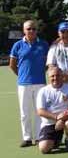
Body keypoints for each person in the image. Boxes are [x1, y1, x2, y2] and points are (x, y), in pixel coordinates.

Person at [9, 19, 49, 147]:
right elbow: (12, 65)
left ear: (37, 30)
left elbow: (48, 63)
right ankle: (27, 138)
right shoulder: (18, 45)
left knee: (39, 111)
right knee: (24, 112)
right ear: (24, 30)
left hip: (40, 83)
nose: (31, 31)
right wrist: (21, 76)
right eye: (28, 29)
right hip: (23, 84)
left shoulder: (43, 44)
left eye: (33, 29)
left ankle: (38, 137)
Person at [36, 67, 68, 154]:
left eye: (58, 75)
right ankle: (56, 140)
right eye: (52, 76)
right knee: (44, 149)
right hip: (49, 123)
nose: (55, 78)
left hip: (65, 121)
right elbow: (40, 111)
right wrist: (57, 117)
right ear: (49, 77)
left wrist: (61, 119)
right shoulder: (43, 91)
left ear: (62, 76)